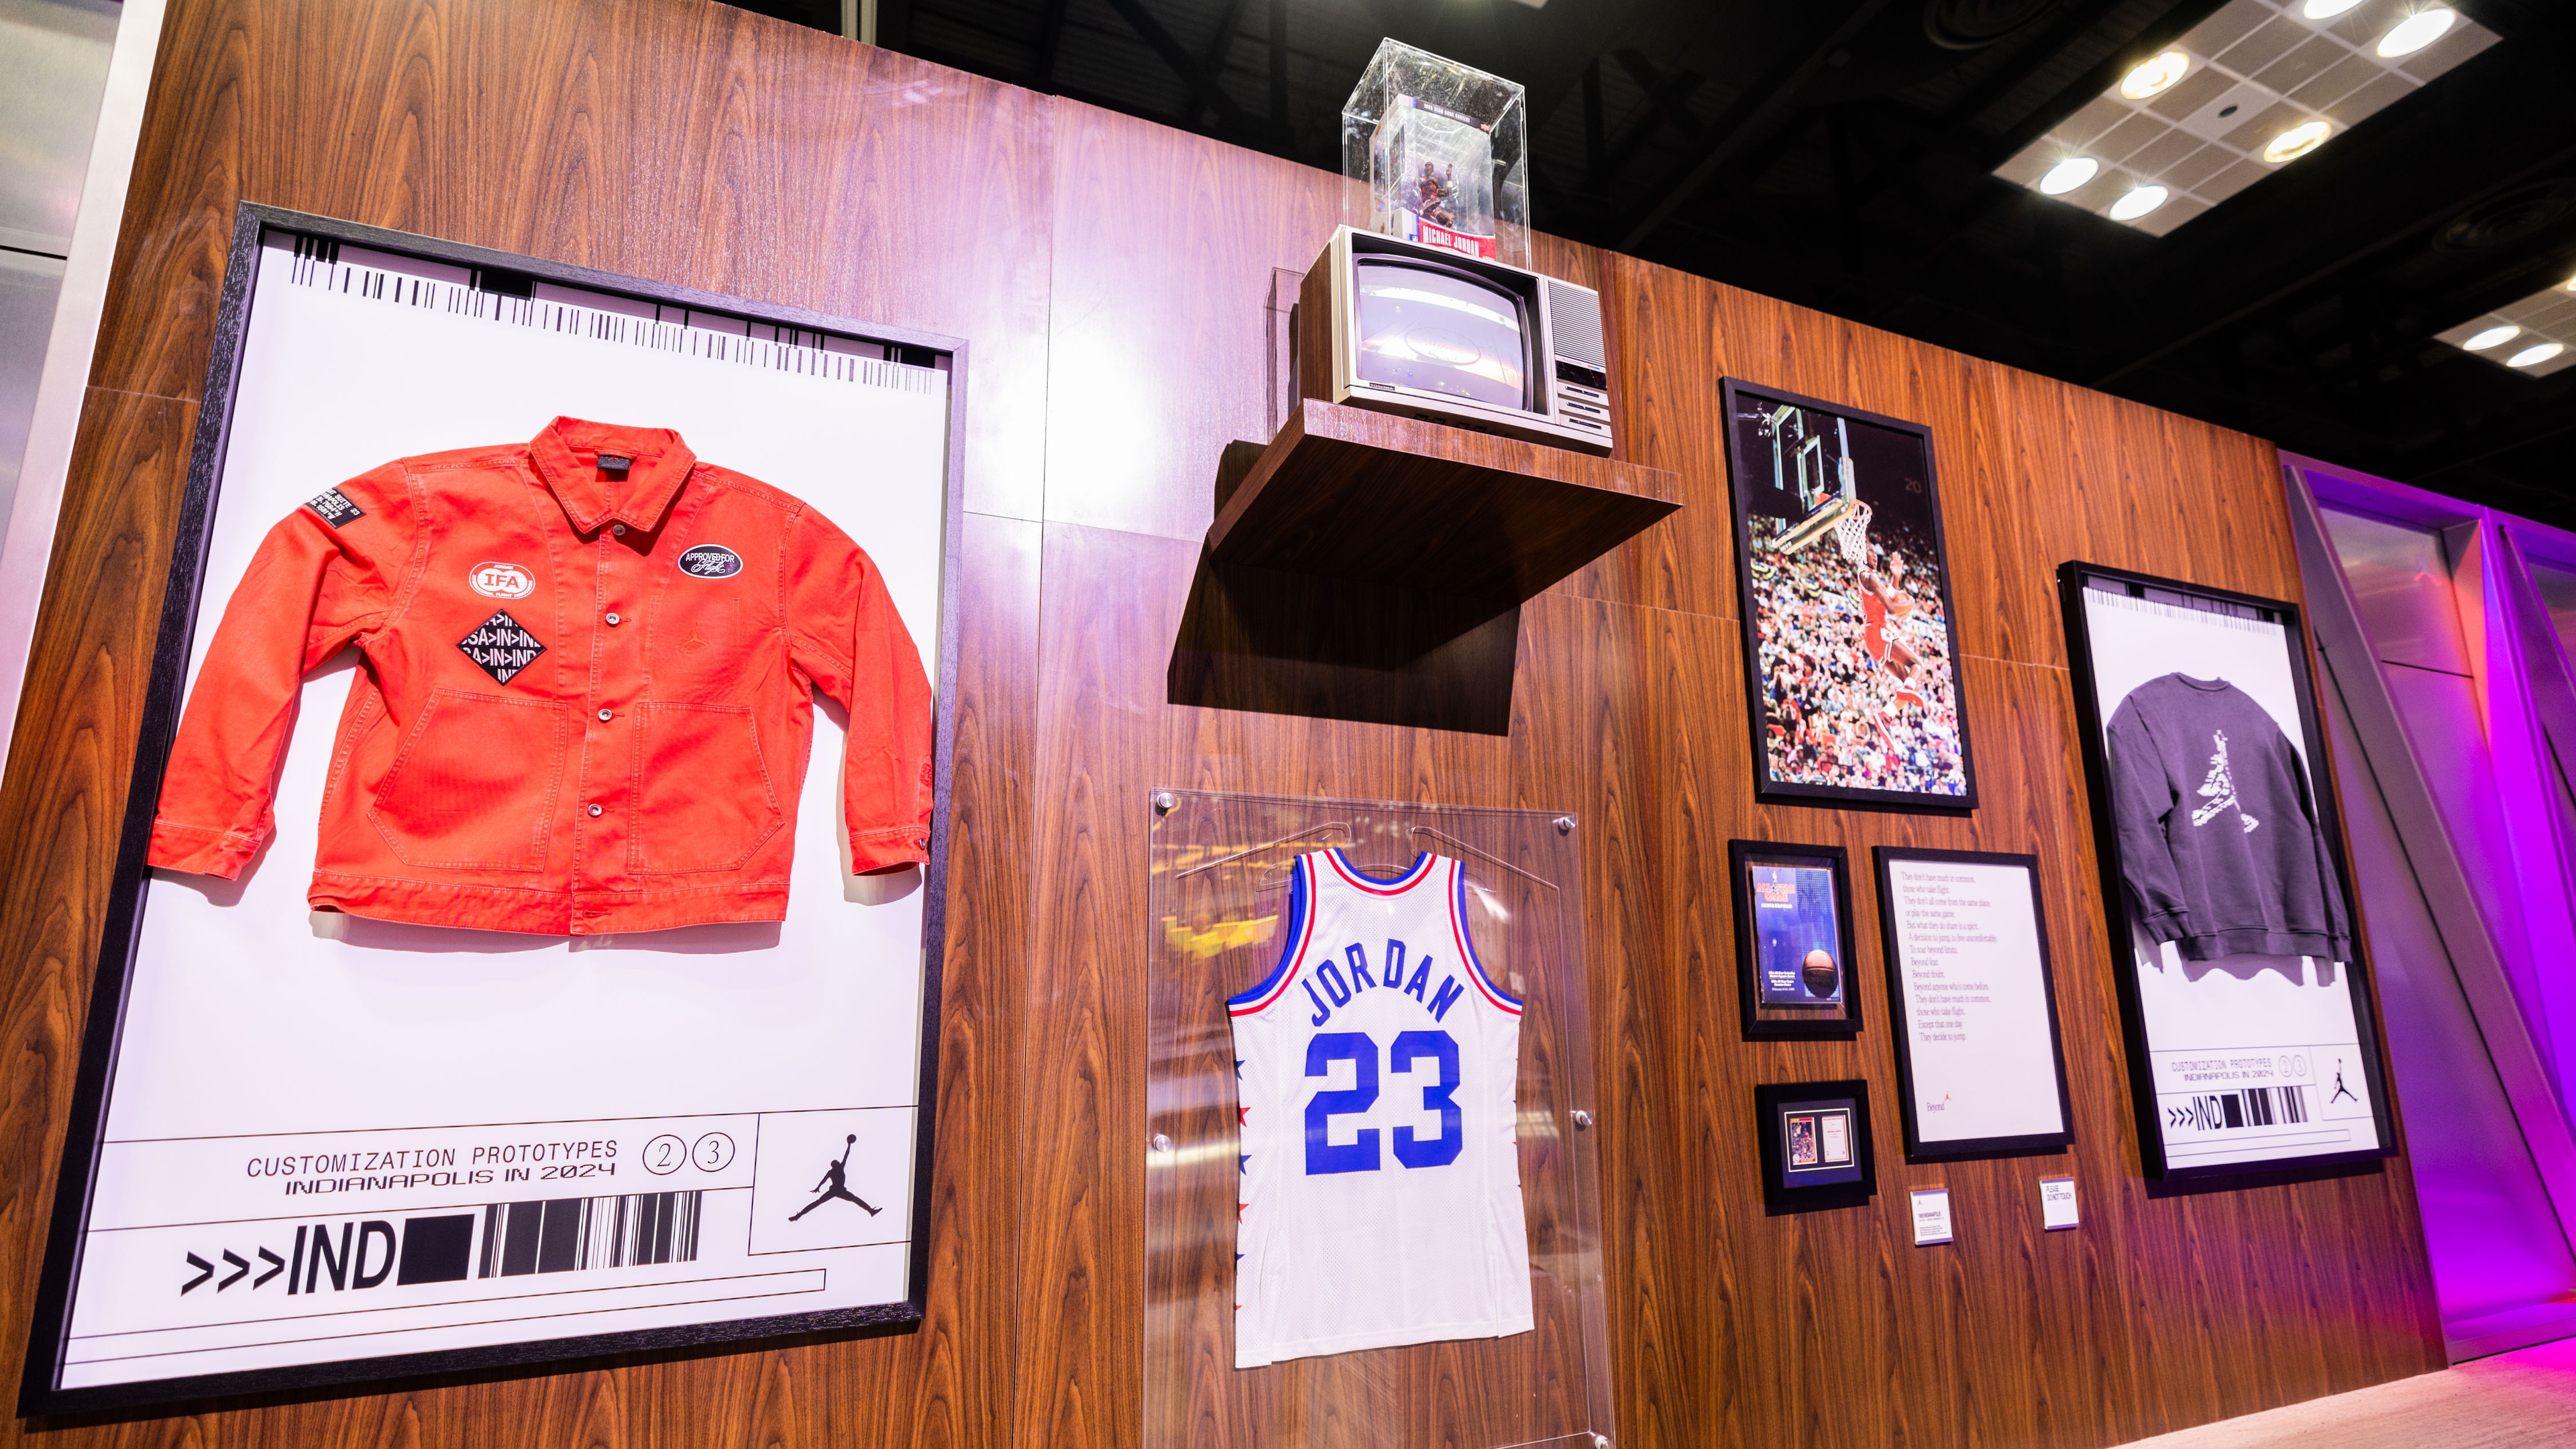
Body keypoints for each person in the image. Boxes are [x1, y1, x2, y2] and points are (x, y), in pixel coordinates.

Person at [789, 1134, 880, 1220]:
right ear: (834, 1164)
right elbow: (825, 1178)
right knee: (853, 1199)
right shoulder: (837, 1169)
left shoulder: (834, 1170)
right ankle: (870, 1210)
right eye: (836, 1162)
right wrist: (849, 1145)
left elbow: (845, 1156)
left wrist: (818, 1187)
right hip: (837, 1190)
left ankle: (871, 1211)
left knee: (819, 1202)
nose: (838, 1162)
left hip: (839, 1190)